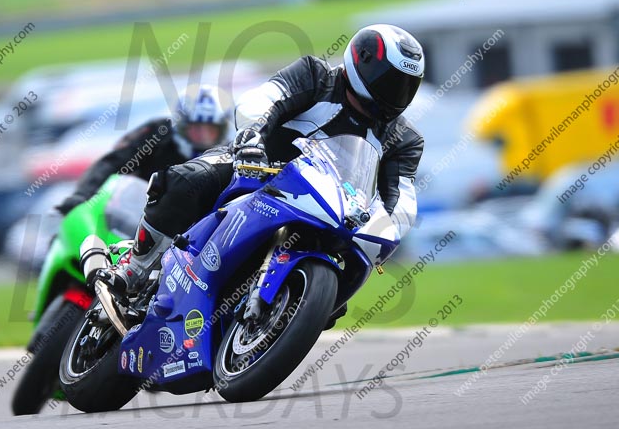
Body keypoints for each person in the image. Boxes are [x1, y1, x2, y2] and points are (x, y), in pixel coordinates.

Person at [95, 24, 426, 306]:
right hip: (258, 168)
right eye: (389, 80)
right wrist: (252, 134)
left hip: (330, 210)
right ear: (362, 62)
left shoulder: (404, 138)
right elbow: (264, 99)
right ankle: (135, 269)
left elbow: (401, 199)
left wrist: (388, 230)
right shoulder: (316, 76)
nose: (395, 93)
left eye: (405, 86)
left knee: (353, 270)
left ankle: (292, 311)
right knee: (186, 180)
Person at [56, 84, 230, 215]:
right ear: (181, 124)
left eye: (211, 129)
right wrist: (83, 195)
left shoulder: (228, 153)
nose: (203, 137)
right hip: (133, 216)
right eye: (196, 128)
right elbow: (112, 162)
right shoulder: (156, 133)